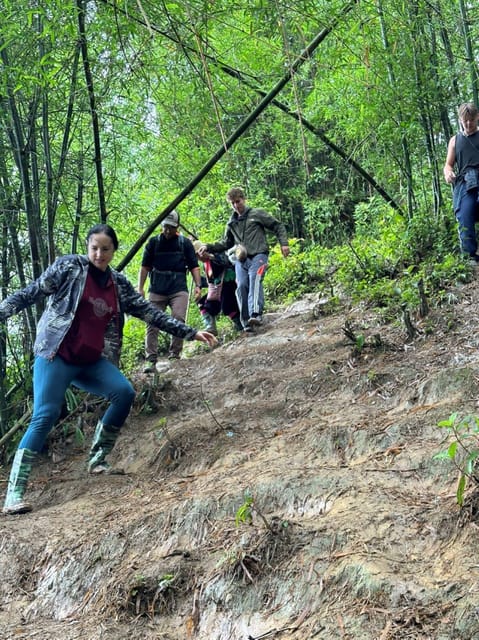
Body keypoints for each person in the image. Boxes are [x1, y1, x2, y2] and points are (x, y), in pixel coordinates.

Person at [0, 224, 217, 515]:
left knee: (123, 392)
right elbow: (32, 292)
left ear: (114, 251)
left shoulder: (118, 284)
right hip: (56, 354)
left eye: (105, 249)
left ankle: (97, 459)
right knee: (46, 414)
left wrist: (190, 332)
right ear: (87, 247)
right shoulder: (69, 268)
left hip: (90, 360)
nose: (99, 254)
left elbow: (149, 312)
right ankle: (14, 493)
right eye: (94, 248)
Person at [198, 187, 290, 331]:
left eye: (238, 201)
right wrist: (208, 246)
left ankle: (256, 314)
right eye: (232, 203)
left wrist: (284, 244)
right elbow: (226, 243)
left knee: (255, 279)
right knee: (241, 285)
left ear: (244, 199)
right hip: (241, 259)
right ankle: (246, 321)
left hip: (259, 255)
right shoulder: (231, 223)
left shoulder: (256, 214)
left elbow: (277, 226)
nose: (236, 205)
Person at [138, 210, 202, 369]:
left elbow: (194, 266)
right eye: (165, 227)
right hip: (156, 289)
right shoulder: (153, 243)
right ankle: (150, 359)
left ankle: (175, 355)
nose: (167, 230)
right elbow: (145, 267)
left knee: (178, 318)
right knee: (151, 321)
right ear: (161, 226)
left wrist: (198, 286)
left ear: (177, 227)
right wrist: (140, 287)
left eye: (171, 227)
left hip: (178, 288)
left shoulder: (184, 243)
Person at [444, 102, 479, 262]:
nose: (468, 123)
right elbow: (448, 164)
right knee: (465, 214)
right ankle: (469, 255)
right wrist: (448, 173)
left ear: (477, 117)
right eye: (465, 120)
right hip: (466, 181)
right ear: (460, 120)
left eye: (471, 119)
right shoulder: (455, 141)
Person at [192, 241, 243, 334]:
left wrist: (212, 257)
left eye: (198, 255)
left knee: (228, 307)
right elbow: (210, 281)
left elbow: (226, 263)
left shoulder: (217, 254)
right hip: (217, 289)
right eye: (196, 256)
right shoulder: (205, 264)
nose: (198, 258)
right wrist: (198, 284)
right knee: (202, 304)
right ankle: (210, 327)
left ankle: (241, 325)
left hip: (229, 283)